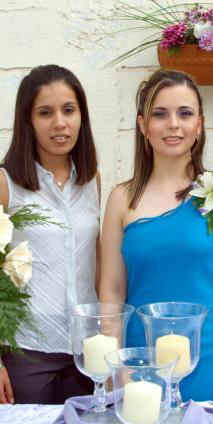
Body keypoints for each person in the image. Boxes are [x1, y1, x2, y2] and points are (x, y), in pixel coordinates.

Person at [99, 69, 213, 403]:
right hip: (138, 360)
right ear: (143, 126)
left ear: (199, 124)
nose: (173, 124)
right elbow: (112, 289)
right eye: (160, 114)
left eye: (185, 113)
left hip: (212, 357)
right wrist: (114, 365)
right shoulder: (121, 199)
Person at [0, 65, 100, 404]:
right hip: (28, 351)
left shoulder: (92, 181)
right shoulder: (6, 185)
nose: (60, 122)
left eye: (69, 110)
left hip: (87, 351)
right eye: (46, 112)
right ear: (28, 121)